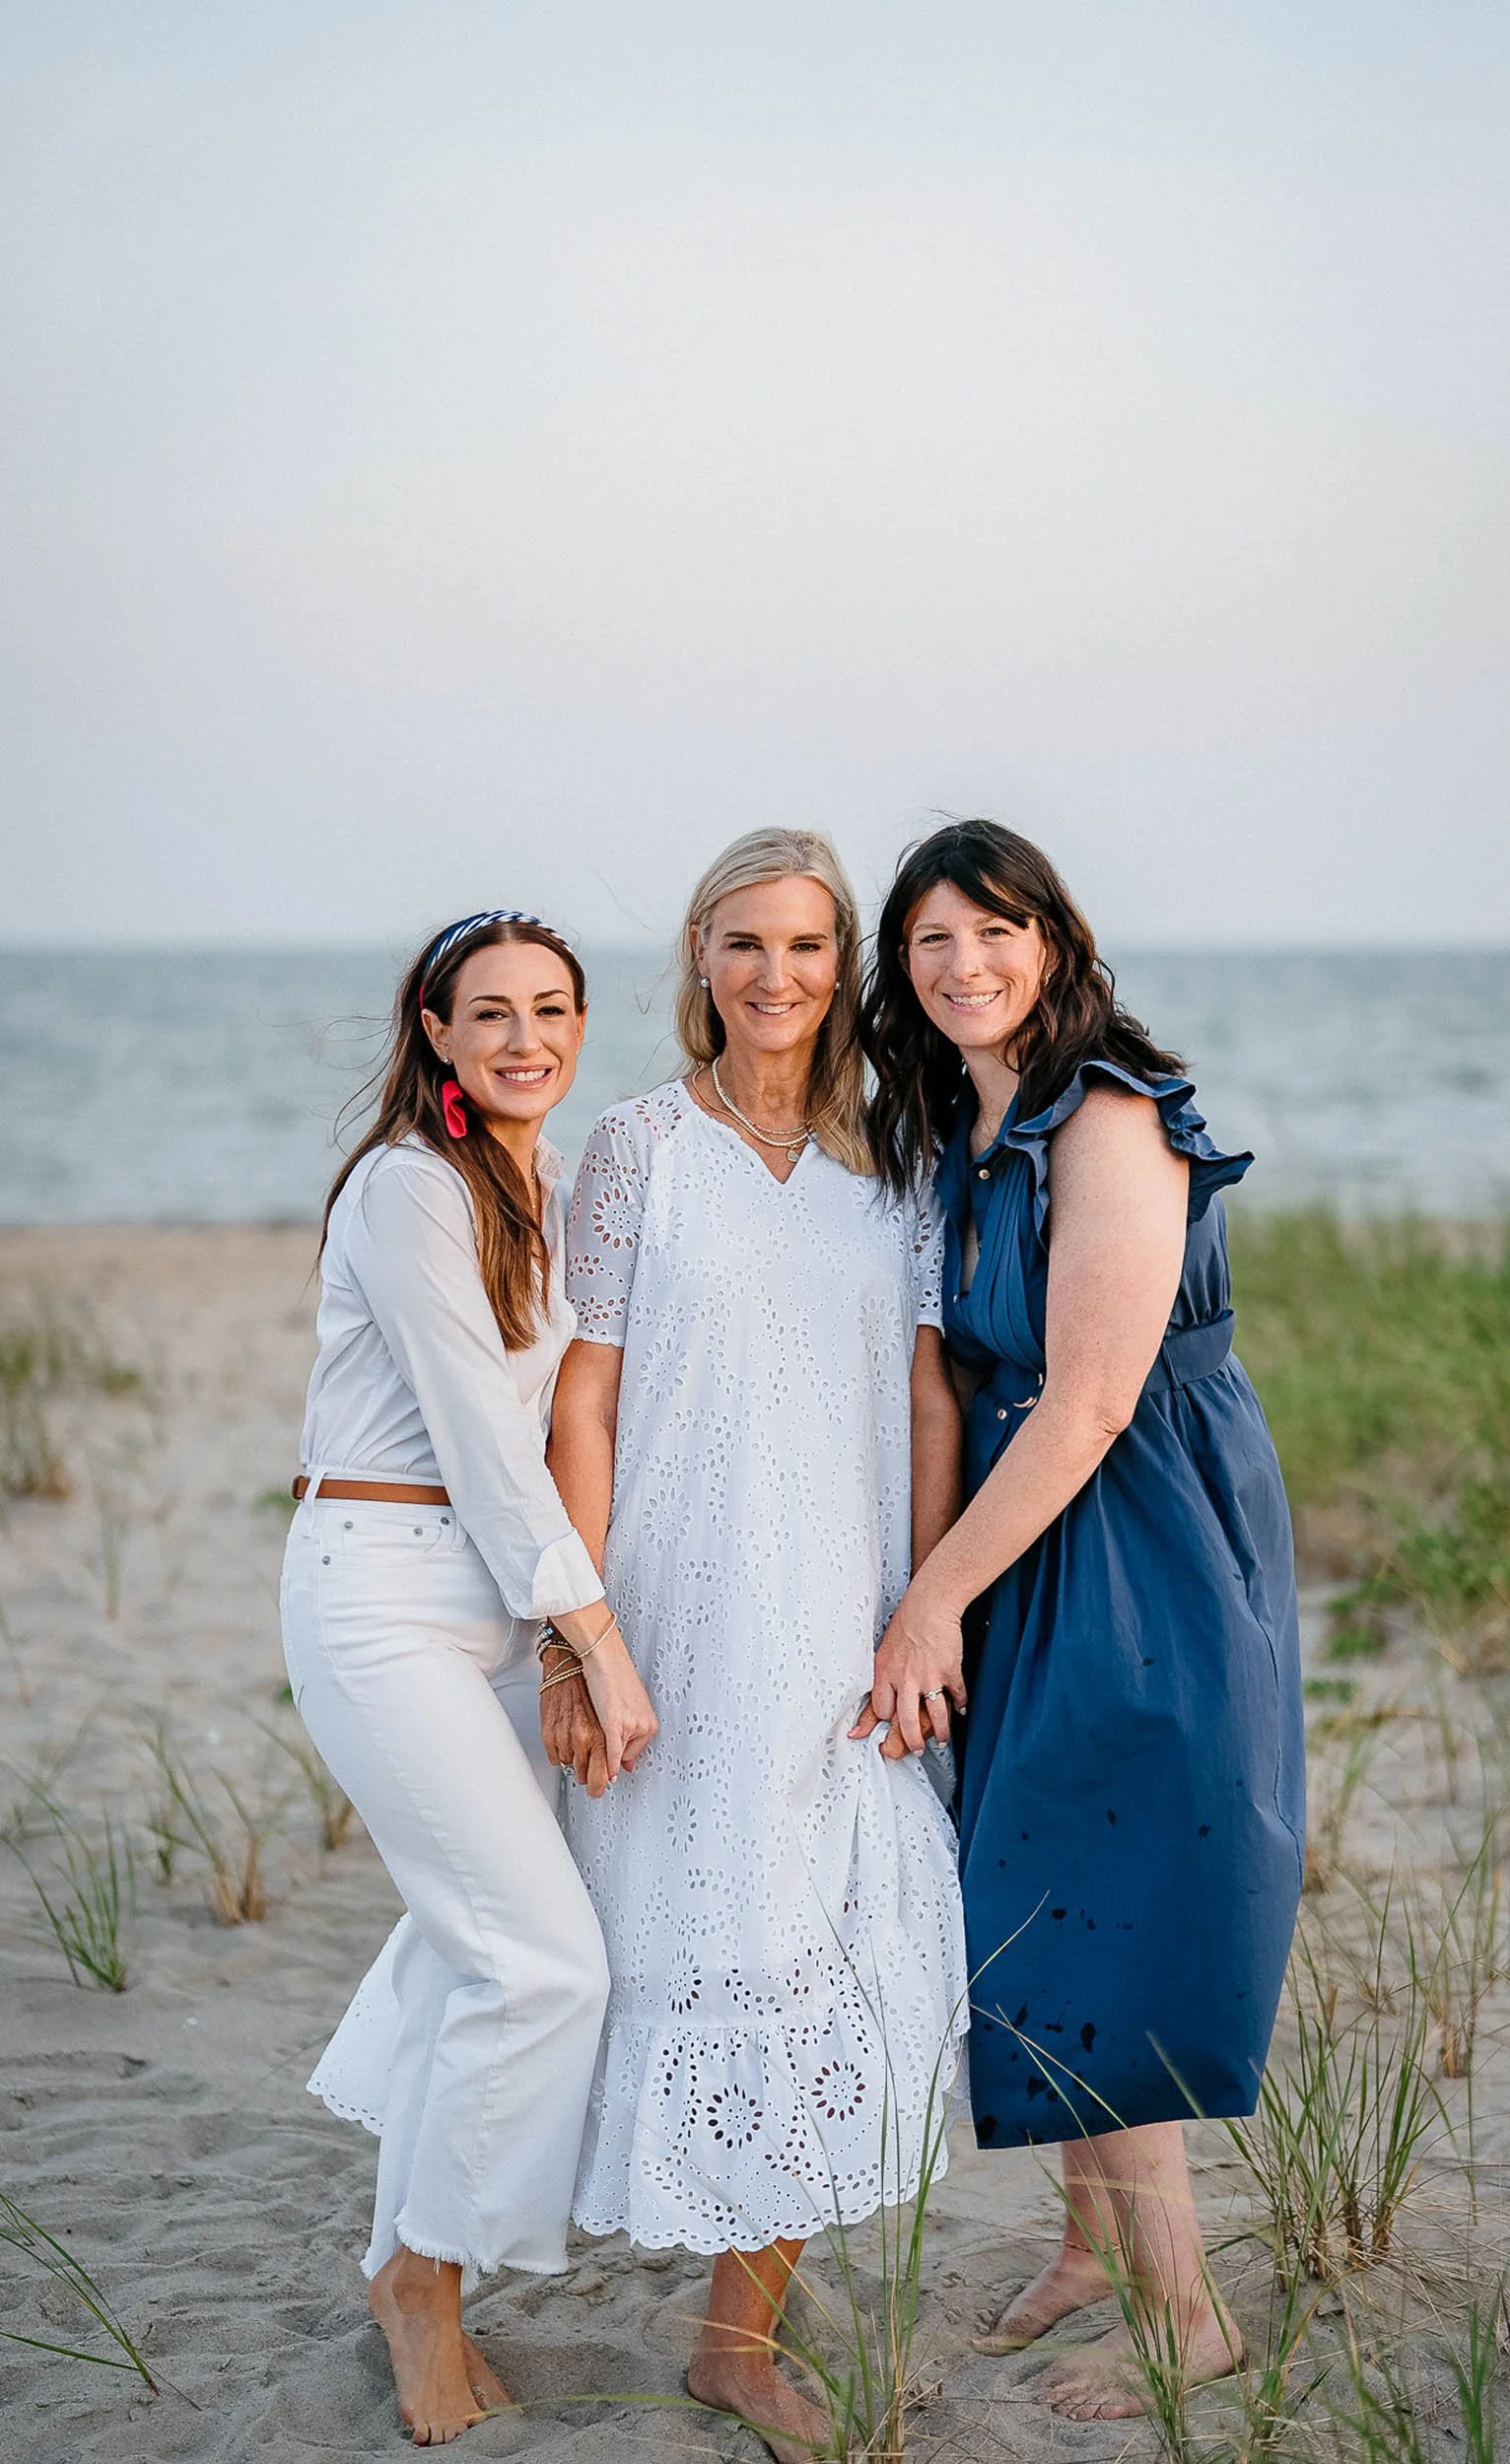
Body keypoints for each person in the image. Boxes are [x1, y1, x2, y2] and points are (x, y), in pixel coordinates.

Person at [856, 821, 1304, 2425]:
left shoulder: (1104, 1113)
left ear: (1050, 940)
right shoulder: (962, 1116)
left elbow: (1095, 1396)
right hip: (1024, 1521)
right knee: (1036, 1876)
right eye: (929, 944)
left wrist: (928, 1600)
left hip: (1132, 1529)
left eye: (993, 932)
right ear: (899, 972)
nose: (964, 965)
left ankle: (1184, 2313)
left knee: (1105, 1878)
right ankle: (1091, 2250)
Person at [544, 829, 968, 2464]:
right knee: (634, 1942)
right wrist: (580, 1636)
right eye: (741, 945)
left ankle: (735, 2340)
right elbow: (582, 1398)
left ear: (840, 965)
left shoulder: (898, 1165)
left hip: (841, 1611)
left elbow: (927, 1392)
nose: (773, 977)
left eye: (804, 947)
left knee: (838, 1954)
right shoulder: (638, 1147)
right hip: (669, 1607)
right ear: (698, 962)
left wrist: (921, 1602)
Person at [282, 911, 656, 2448]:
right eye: (488, 1013)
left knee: (467, 1954)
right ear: (432, 1030)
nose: (525, 1039)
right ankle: (423, 2286)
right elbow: (481, 1440)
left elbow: (573, 1407)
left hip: (496, 1604)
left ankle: (402, 2263)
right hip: (378, 1595)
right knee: (544, 1965)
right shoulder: (405, 1189)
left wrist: (560, 1630)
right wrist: (599, 1641)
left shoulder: (548, 1186)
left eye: (551, 1009)